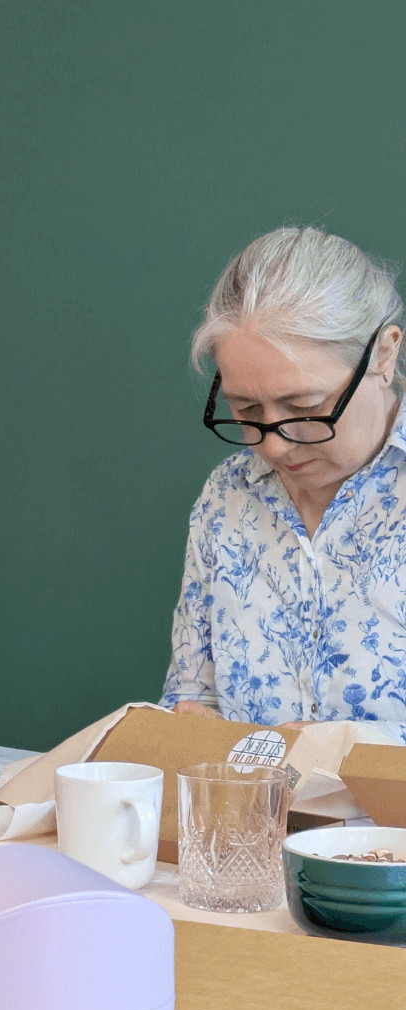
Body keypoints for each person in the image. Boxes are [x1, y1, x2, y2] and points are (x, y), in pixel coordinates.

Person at [162, 225, 406, 741]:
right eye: (246, 409)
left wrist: (351, 749)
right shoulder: (226, 499)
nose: (274, 446)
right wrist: (189, 729)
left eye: (305, 408)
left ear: (384, 354)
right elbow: (191, 697)